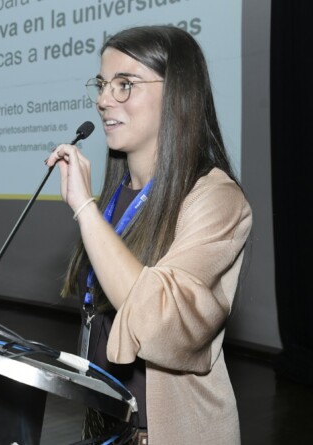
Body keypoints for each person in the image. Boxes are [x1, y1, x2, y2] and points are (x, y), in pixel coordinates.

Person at [46, 26, 251, 444]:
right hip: (106, 426)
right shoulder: (115, 197)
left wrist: (84, 209)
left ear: (177, 94)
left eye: (125, 85)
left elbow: (159, 322)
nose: (104, 100)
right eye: (102, 85)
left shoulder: (216, 199)